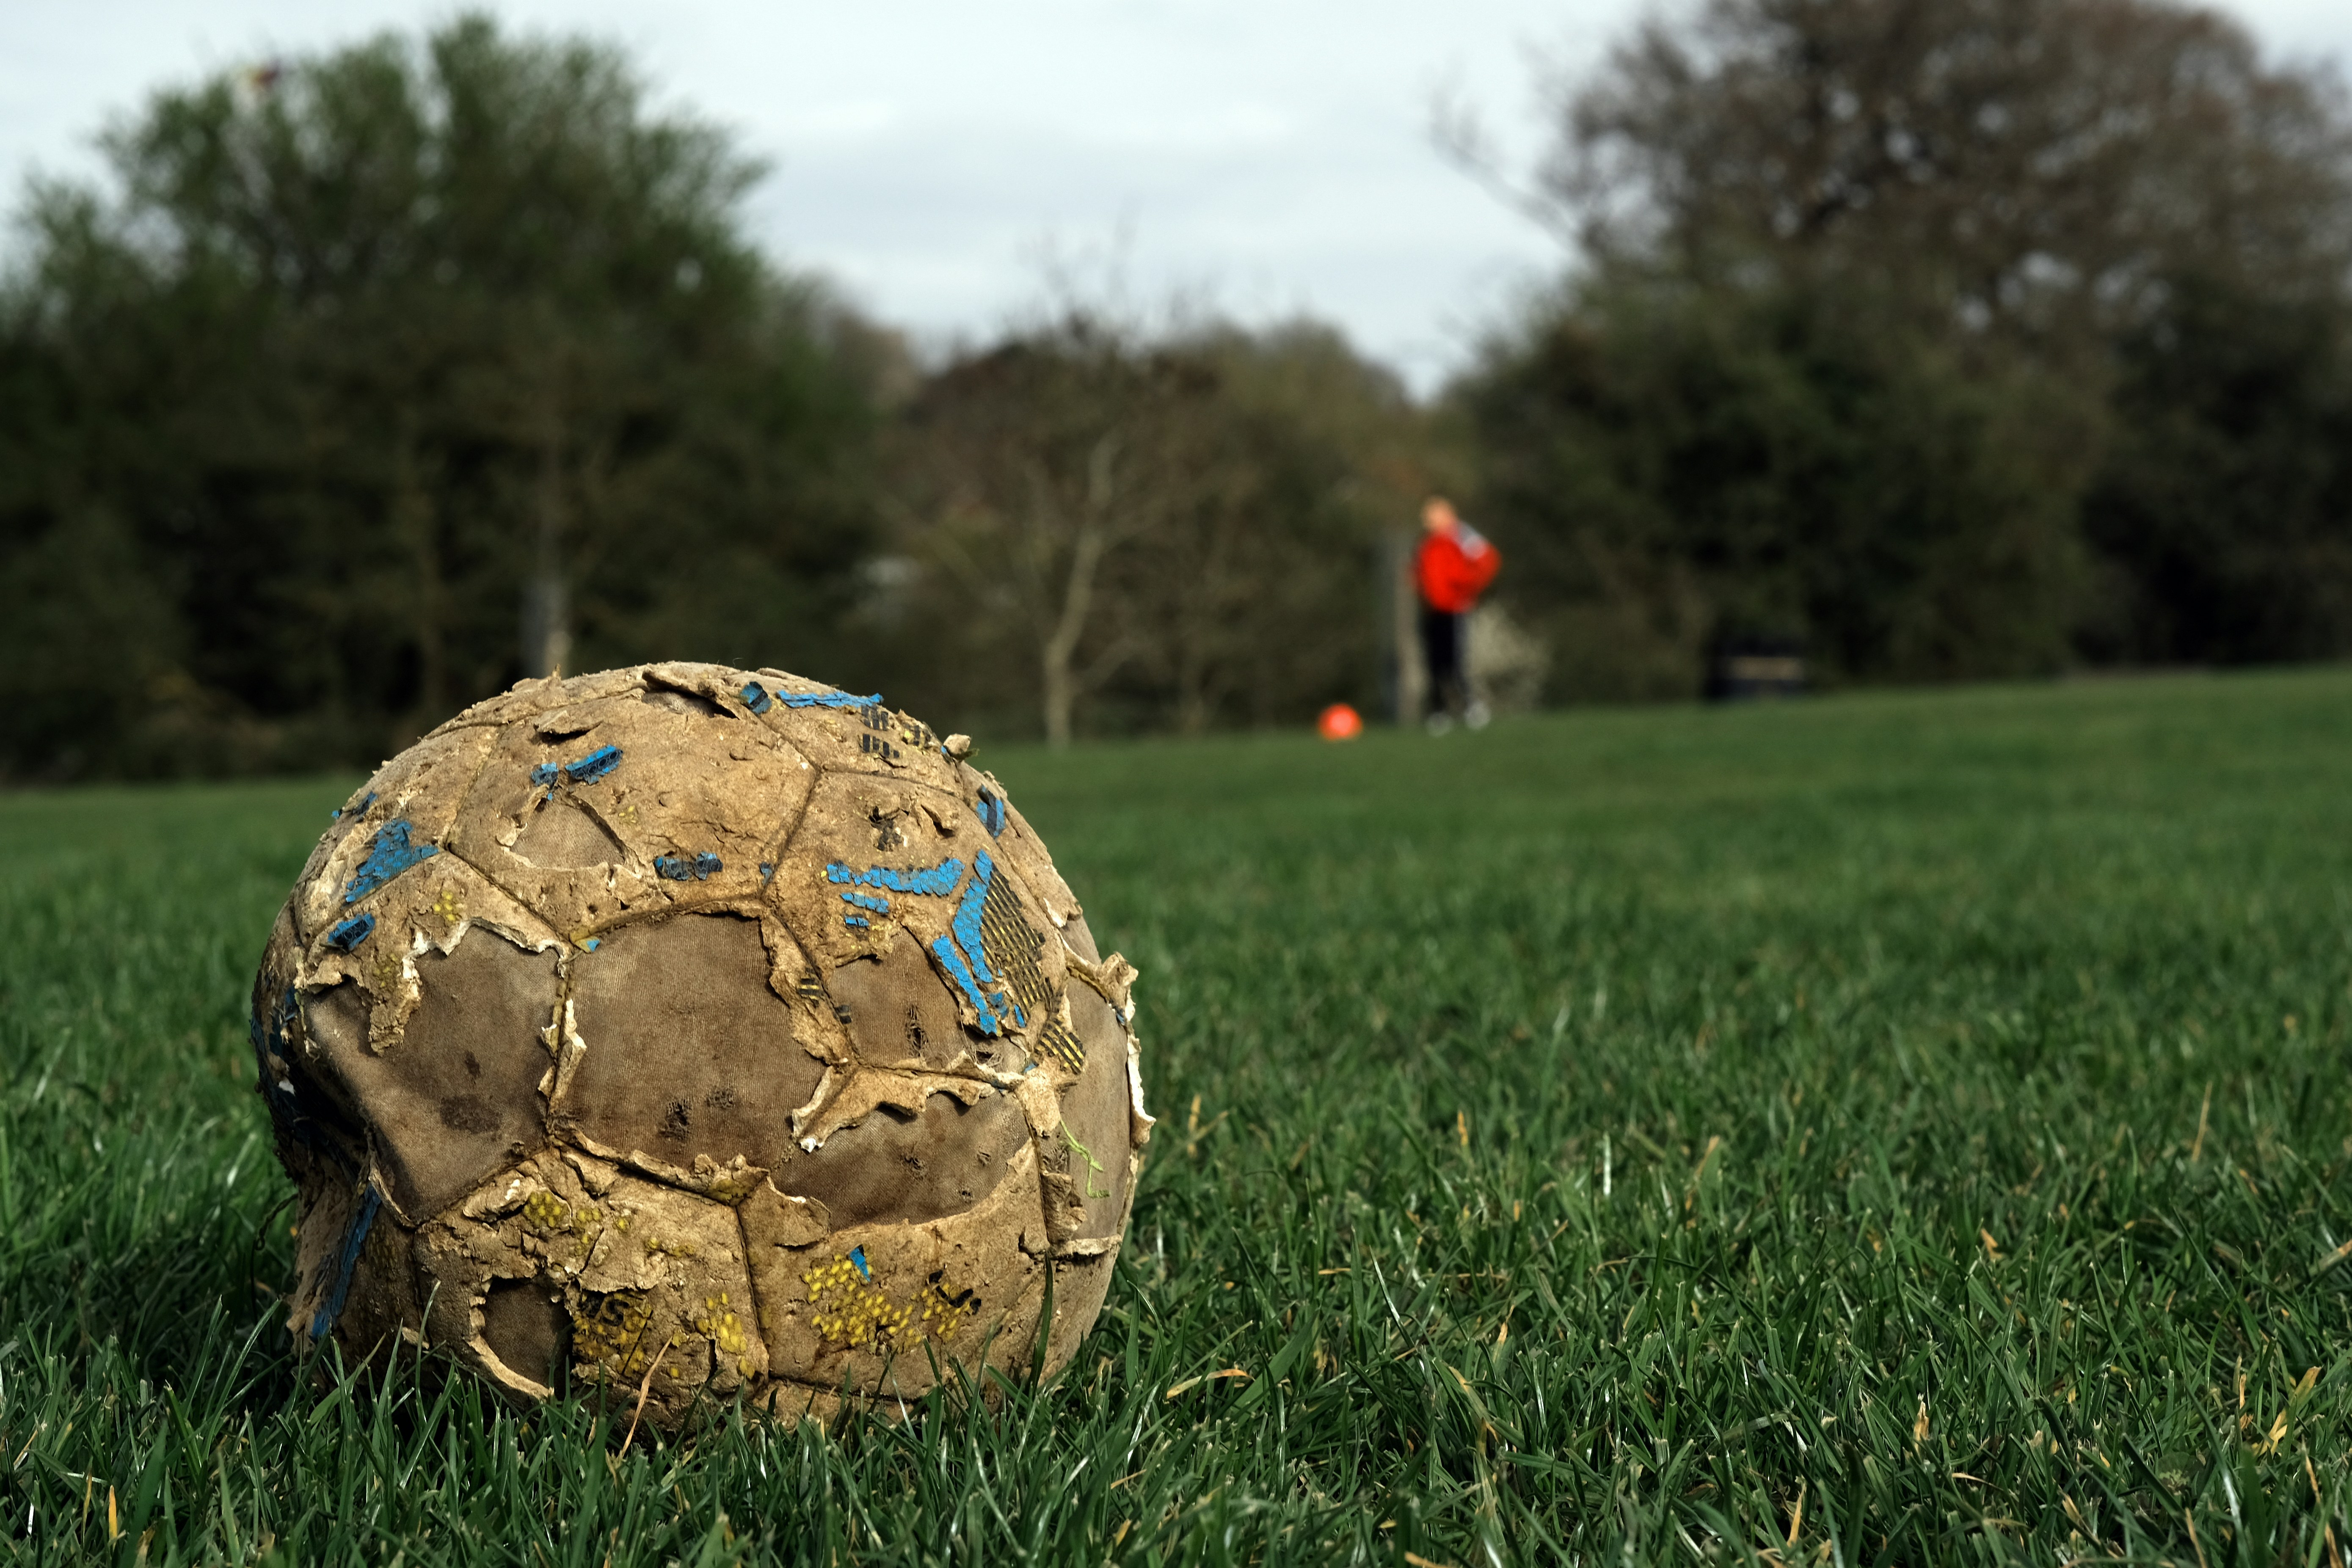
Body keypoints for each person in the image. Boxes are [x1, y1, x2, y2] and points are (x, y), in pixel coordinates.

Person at [1413, 495, 1501, 733]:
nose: (1426, 519)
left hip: (1454, 608)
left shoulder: (1462, 535)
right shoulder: (1428, 542)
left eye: (1431, 514)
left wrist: (1465, 586)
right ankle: (1438, 712)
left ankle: (1472, 707)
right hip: (1432, 610)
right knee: (1434, 664)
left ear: (1446, 514)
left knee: (1455, 661)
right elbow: (1421, 572)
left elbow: (1488, 559)